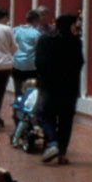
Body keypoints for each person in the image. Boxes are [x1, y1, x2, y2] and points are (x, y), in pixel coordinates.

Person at [35, 12, 84, 164]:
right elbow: (80, 63)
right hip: (69, 88)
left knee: (45, 114)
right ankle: (61, 152)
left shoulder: (45, 40)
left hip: (49, 86)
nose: (76, 28)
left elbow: (39, 63)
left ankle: (51, 143)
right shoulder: (76, 42)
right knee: (66, 120)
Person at [12, 8, 40, 95]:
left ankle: (17, 106)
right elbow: (39, 49)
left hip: (16, 63)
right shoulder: (36, 33)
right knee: (30, 90)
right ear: (36, 20)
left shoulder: (15, 30)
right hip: (30, 65)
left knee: (18, 88)